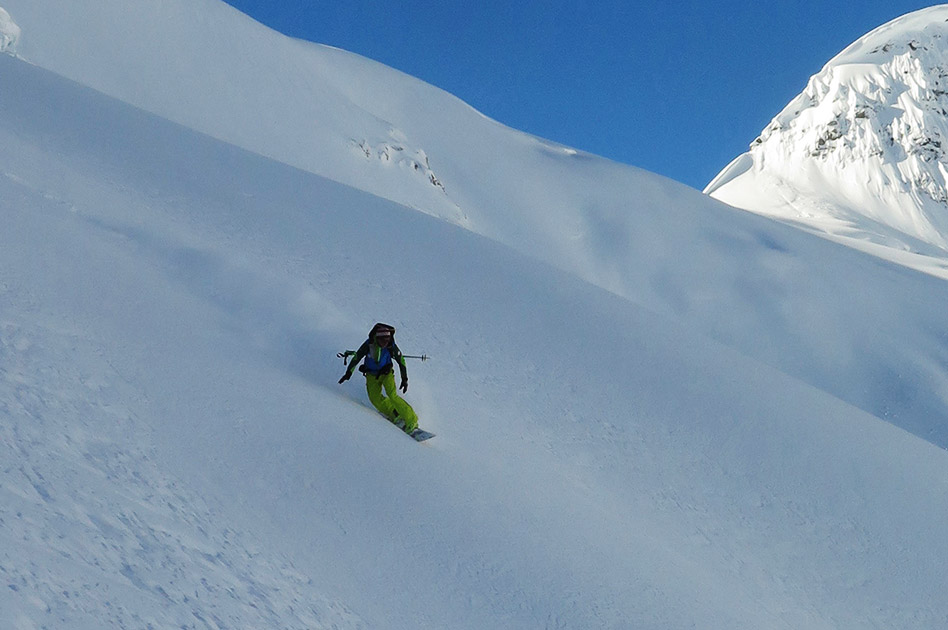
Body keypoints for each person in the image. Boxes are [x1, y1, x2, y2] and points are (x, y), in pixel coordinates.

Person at [338, 323, 418, 433]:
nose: (385, 344)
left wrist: (405, 379)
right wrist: (348, 373)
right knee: (374, 399)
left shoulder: (391, 345)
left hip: (387, 373)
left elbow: (401, 361)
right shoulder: (369, 344)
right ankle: (395, 414)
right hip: (371, 375)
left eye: (387, 341)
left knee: (392, 395)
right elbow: (357, 357)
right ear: (377, 338)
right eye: (383, 341)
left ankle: (412, 420)